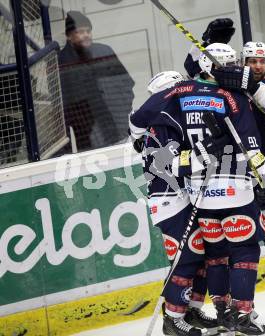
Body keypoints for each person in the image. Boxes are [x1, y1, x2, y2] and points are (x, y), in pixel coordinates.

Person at [184, 23, 265, 326]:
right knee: (236, 240)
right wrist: (206, 44)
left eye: (262, 61)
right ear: (239, 63)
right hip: (236, 171)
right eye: (250, 61)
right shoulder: (223, 89)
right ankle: (238, 306)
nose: (258, 66)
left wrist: (248, 83)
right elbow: (193, 70)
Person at [129, 71, 218, 336]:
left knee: (202, 254)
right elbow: (166, 163)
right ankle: (173, 318)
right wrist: (205, 155)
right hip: (168, 199)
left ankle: (191, 310)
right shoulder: (161, 123)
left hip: (182, 194)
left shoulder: (173, 118)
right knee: (187, 257)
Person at [59, 10, 134, 151]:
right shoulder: (61, 62)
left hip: (118, 125)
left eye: (88, 31)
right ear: (69, 35)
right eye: (80, 31)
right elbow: (63, 105)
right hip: (87, 137)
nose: (86, 35)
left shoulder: (104, 51)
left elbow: (127, 83)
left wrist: (123, 111)